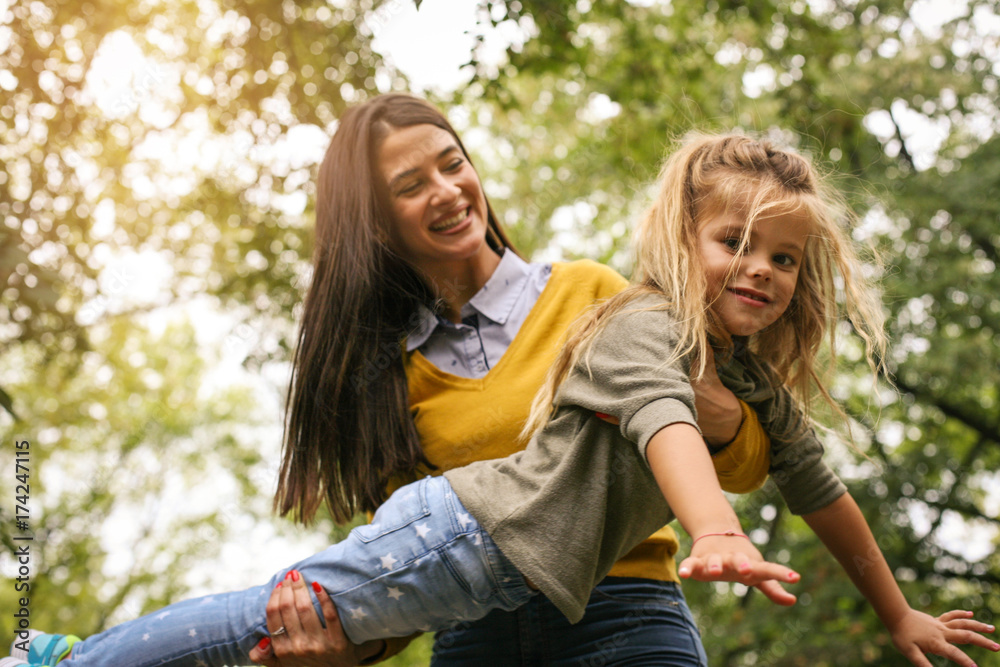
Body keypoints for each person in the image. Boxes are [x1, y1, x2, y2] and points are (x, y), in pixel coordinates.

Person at [10, 123, 997, 667]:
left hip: (613, 608)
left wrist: (897, 610)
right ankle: (72, 662)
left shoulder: (594, 299)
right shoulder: (637, 324)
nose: (761, 269)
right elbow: (660, 414)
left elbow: (808, 480)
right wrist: (717, 529)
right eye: (735, 243)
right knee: (273, 614)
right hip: (468, 552)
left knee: (278, 607)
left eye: (783, 256)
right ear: (377, 224)